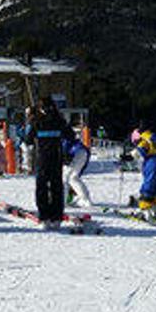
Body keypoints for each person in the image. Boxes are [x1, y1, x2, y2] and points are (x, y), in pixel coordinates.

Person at [27, 96, 74, 230]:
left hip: (42, 158)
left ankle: (44, 217)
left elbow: (28, 140)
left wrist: (30, 119)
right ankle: (56, 217)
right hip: (56, 157)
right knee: (56, 187)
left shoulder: (37, 121)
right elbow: (71, 136)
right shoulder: (59, 120)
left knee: (42, 187)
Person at [63, 136, 93, 207]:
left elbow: (65, 144)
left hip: (75, 152)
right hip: (83, 152)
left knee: (65, 178)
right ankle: (85, 200)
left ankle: (61, 202)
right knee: (73, 178)